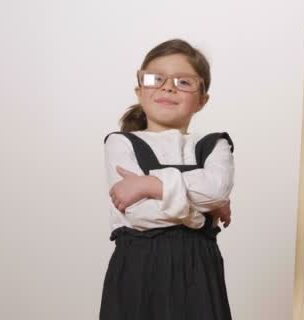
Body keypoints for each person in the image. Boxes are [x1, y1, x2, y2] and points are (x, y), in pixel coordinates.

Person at [99, 38, 234, 320]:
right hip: (138, 270)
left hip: (199, 269)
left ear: (202, 100)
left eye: (183, 82)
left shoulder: (215, 145)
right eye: (155, 79)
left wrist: (151, 185)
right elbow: (138, 214)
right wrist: (200, 215)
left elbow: (217, 191)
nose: (168, 87)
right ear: (139, 90)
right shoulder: (120, 143)